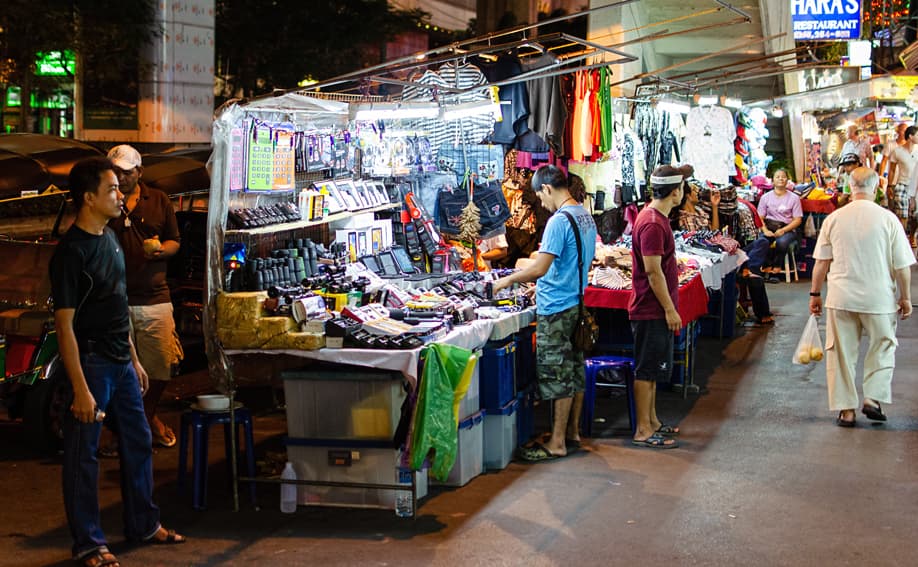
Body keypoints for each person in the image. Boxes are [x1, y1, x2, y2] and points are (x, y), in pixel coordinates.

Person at [49, 157, 186, 567]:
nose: (119, 196)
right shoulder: (71, 254)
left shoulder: (110, 237)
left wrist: (134, 359)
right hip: (90, 365)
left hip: (121, 363)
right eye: (111, 189)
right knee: (83, 458)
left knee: (139, 441)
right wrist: (79, 389)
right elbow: (65, 327)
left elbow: (117, 304)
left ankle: (143, 523)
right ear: (88, 198)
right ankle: (90, 544)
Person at [492, 165, 597, 461]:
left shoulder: (558, 221)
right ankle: (572, 432)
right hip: (576, 302)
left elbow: (540, 268)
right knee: (574, 368)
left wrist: (508, 279)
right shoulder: (584, 215)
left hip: (556, 307)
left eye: (540, 196)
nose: (541, 203)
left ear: (547, 189)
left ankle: (558, 442)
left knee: (557, 374)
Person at [809, 166, 914, 427]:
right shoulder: (888, 219)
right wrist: (906, 297)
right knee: (882, 346)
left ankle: (846, 410)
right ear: (876, 188)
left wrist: (815, 294)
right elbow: (902, 266)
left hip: (841, 298)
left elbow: (821, 263)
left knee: (841, 353)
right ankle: (873, 399)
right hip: (879, 300)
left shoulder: (834, 218)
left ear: (850, 187)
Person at [105, 145, 183, 453]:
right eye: (115, 171)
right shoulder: (104, 200)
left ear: (140, 172)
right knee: (118, 370)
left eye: (126, 172)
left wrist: (162, 249)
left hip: (154, 297)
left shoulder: (158, 200)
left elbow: (176, 241)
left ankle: (145, 418)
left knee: (162, 365)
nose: (121, 177)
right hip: (114, 298)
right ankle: (125, 429)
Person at [628, 164, 693, 449]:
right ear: (676, 192)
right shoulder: (653, 223)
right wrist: (669, 309)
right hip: (650, 308)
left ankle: (652, 421)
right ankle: (643, 429)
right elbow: (652, 272)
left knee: (654, 369)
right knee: (646, 369)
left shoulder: (656, 218)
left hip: (654, 307)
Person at [677, 181, 774, 325]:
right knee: (756, 280)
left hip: (723, 249)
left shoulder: (700, 211)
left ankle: (749, 268)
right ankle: (749, 270)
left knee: (762, 242)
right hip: (712, 255)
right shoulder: (685, 218)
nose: (698, 192)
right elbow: (701, 242)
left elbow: (714, 232)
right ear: (687, 195)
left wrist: (715, 207)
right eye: (694, 190)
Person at [754, 169, 803, 283]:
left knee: (782, 242)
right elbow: (759, 217)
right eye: (777, 177)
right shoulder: (765, 197)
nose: (781, 179)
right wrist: (765, 230)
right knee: (762, 241)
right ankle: (763, 268)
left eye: (783, 177)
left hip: (787, 228)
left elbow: (797, 220)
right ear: (772, 181)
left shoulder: (794, 198)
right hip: (769, 226)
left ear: (787, 180)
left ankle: (776, 269)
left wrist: (784, 230)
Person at [886, 125, 918, 235]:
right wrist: (889, 186)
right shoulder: (897, 151)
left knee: (914, 215)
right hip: (902, 184)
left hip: (916, 186)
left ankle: (912, 236)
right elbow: (892, 170)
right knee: (902, 214)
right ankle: (903, 237)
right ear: (910, 136)